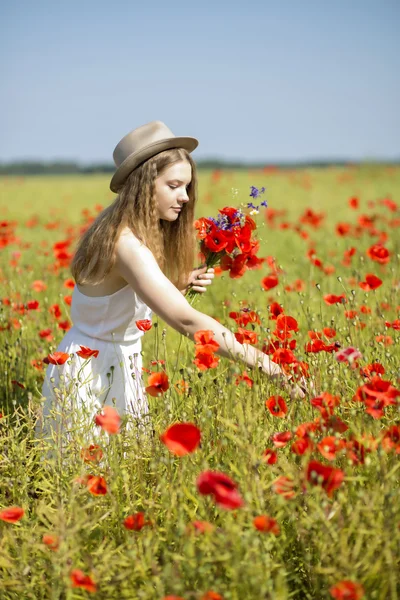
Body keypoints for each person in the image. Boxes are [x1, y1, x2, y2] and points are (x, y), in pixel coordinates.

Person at [36, 120, 306, 446]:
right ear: (144, 184)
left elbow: (120, 292)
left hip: (111, 364)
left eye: (187, 187)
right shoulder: (127, 244)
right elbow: (185, 319)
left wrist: (177, 281)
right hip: (91, 374)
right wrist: (267, 365)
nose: (185, 197)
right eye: (175, 186)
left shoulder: (120, 226)